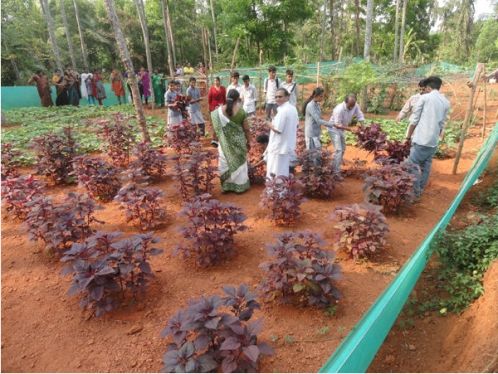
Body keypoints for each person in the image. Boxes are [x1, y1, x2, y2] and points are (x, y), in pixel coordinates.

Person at [405, 76, 450, 197]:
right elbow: (442, 124)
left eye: (425, 88)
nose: (423, 90)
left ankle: (415, 191)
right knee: (426, 166)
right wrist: (438, 137)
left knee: (411, 164)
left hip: (421, 139)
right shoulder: (445, 101)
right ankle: (419, 190)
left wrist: (408, 137)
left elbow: (414, 120)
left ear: (429, 88)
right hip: (433, 141)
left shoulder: (424, 98)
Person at [211, 89, 251, 193]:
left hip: (224, 144)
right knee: (240, 164)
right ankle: (240, 187)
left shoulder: (218, 112)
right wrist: (249, 142)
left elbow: (215, 128)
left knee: (225, 163)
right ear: (238, 99)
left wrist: (214, 138)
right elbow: (246, 129)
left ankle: (227, 187)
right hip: (239, 143)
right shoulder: (241, 111)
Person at [265, 88, 299, 178]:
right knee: (282, 171)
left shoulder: (283, 111)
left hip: (278, 147)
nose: (277, 99)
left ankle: (273, 191)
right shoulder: (293, 109)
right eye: (276, 97)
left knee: (274, 171)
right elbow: (296, 125)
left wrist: (268, 123)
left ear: (287, 97)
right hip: (286, 146)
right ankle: (282, 191)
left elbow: (278, 129)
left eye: (280, 96)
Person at [329, 94, 365, 176]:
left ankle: (333, 166)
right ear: (345, 102)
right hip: (334, 129)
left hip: (342, 129)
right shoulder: (339, 109)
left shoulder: (355, 105)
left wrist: (363, 127)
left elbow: (360, 115)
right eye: (350, 106)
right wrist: (351, 129)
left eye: (353, 105)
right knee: (338, 150)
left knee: (343, 149)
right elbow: (337, 124)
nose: (351, 108)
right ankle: (336, 172)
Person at [302, 87, 333, 159]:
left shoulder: (317, 105)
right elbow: (318, 120)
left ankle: (315, 168)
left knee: (316, 153)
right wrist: (332, 124)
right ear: (316, 96)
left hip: (316, 132)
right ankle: (309, 168)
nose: (322, 98)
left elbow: (319, 117)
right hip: (311, 134)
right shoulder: (310, 105)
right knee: (313, 155)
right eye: (321, 96)